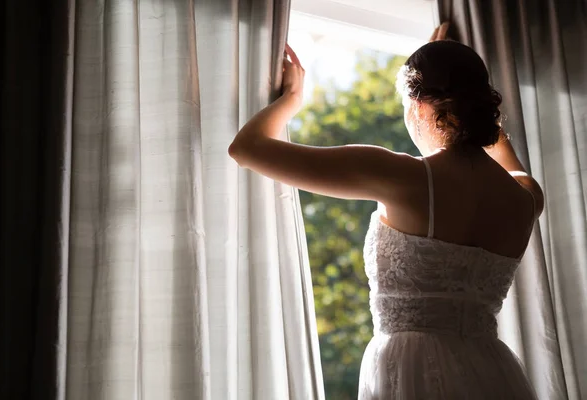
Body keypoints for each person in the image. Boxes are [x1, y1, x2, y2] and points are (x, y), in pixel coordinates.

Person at [228, 23, 543, 400]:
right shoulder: (526, 197)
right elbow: (503, 158)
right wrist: (445, 78)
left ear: (419, 105)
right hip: (491, 370)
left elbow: (245, 148)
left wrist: (290, 98)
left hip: (412, 368)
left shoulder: (402, 176)